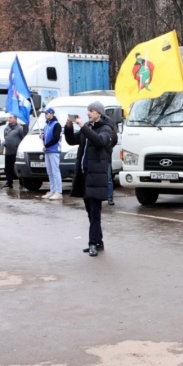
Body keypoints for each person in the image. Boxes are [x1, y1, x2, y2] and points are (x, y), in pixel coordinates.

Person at [65, 101, 115, 257]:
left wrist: (83, 126)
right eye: (88, 110)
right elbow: (72, 140)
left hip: (97, 176)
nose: (88, 113)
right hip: (85, 175)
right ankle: (99, 242)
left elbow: (99, 141)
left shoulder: (106, 128)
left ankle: (93, 243)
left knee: (94, 212)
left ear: (99, 113)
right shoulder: (88, 126)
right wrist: (68, 127)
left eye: (91, 111)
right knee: (90, 211)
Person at [41, 108, 63, 200]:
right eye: (45, 114)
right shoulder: (46, 125)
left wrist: (46, 145)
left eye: (47, 113)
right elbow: (46, 137)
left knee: (55, 171)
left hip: (54, 150)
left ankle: (58, 191)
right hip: (47, 151)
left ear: (51, 114)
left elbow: (55, 138)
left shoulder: (56, 125)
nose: (45, 115)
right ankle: (53, 190)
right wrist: (42, 137)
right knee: (49, 172)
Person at [2, 114, 26, 189]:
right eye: (9, 118)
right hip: (8, 152)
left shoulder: (19, 128)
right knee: (7, 168)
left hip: (16, 152)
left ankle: (22, 183)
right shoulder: (6, 128)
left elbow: (23, 138)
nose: (9, 119)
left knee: (18, 168)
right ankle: (9, 182)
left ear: (15, 119)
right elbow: (5, 137)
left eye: (11, 118)